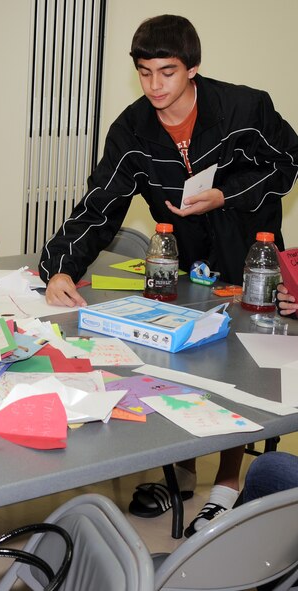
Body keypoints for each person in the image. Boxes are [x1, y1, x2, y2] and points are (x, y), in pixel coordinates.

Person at [38, 14, 298, 537]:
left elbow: (287, 162)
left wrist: (226, 194)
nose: (155, 86)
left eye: (167, 72)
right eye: (144, 73)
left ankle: (225, 487)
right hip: (181, 264)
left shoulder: (245, 108)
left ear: (193, 68)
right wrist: (60, 267)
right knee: (180, 366)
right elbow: (100, 205)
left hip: (248, 257)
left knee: (237, 376)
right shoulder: (132, 129)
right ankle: (179, 472)